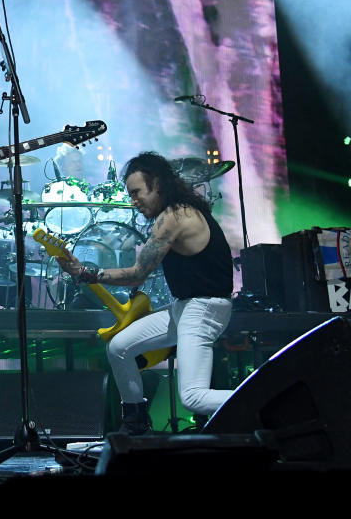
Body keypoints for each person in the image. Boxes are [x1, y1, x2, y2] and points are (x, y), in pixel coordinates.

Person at [57, 152, 234, 433]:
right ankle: (136, 422)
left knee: (192, 396)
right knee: (119, 347)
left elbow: (138, 273)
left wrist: (84, 272)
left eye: (137, 193)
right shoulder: (175, 213)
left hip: (203, 309)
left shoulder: (175, 216)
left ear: (159, 185)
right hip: (186, 307)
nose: (133, 201)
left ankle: (266, 400)